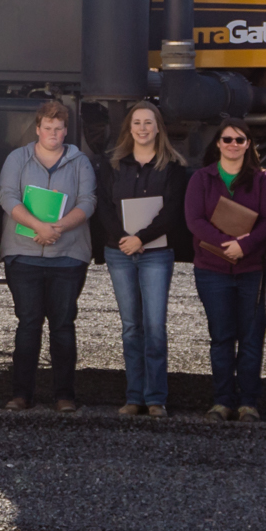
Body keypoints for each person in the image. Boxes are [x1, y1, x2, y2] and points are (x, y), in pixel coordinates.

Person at [0, 100, 98, 411]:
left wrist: (58, 228)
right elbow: (7, 196)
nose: (53, 133)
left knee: (63, 325)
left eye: (59, 128)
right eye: (48, 128)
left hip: (68, 256)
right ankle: (21, 394)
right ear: (38, 129)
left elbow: (88, 201)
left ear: (65, 131)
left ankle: (64, 395)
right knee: (28, 324)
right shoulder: (18, 159)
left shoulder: (80, 162)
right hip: (23, 255)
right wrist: (38, 226)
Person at [97, 101, 189, 418]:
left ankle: (156, 398)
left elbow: (173, 212)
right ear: (129, 128)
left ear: (158, 128)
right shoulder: (113, 165)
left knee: (154, 326)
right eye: (137, 122)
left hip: (156, 254)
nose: (142, 128)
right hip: (119, 252)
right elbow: (104, 208)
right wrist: (125, 239)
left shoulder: (174, 168)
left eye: (149, 122)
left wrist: (141, 239)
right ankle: (134, 396)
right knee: (130, 327)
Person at [185, 116, 266, 423]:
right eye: (227, 139)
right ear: (217, 143)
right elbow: (194, 220)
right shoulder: (201, 178)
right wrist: (227, 244)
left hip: (253, 269)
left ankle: (248, 402)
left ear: (249, 144)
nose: (233, 145)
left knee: (252, 338)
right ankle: (222, 401)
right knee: (221, 337)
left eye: (240, 140)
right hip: (212, 270)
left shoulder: (263, 179)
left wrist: (245, 246)